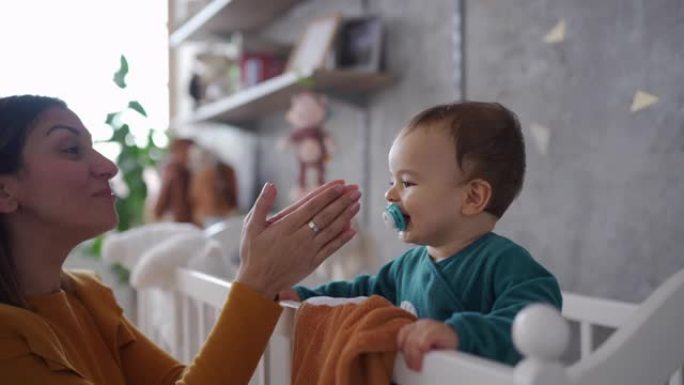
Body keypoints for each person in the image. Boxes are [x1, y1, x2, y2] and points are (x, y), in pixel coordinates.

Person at [0, 94, 362, 385]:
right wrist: (256, 283)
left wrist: (258, 283)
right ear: (5, 190)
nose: (107, 166)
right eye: (70, 149)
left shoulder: (87, 297)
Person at [280, 102, 562, 369]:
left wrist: (460, 335)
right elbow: (359, 294)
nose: (390, 195)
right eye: (392, 182)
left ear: (473, 197)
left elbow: (534, 317)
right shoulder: (407, 267)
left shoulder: (504, 263)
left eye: (407, 182)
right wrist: (302, 298)